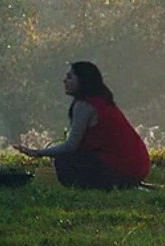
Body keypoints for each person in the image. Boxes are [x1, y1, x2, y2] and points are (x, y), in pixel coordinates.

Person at [13, 61, 150, 190]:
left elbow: (71, 145)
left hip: (123, 169)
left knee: (64, 161)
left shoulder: (85, 106)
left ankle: (98, 187)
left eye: (70, 77)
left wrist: (38, 153)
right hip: (138, 167)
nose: (64, 81)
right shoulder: (103, 101)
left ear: (82, 81)